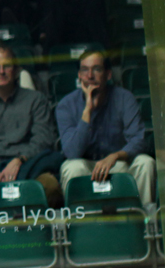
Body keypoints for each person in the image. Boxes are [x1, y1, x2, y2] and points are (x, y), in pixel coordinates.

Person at [0, 43, 62, 206]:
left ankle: (37, 223)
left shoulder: (36, 100)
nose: (1, 71)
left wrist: (19, 160)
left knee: (50, 187)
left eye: (6, 66)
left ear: (15, 70)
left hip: (29, 164)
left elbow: (43, 138)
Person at [56, 50, 156, 204]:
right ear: (79, 76)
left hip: (119, 163)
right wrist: (87, 111)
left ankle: (144, 216)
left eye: (96, 69)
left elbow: (139, 141)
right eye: (85, 70)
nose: (90, 75)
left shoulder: (124, 98)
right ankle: (78, 217)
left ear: (108, 75)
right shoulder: (66, 105)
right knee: (72, 167)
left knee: (146, 162)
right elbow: (72, 152)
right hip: (86, 166)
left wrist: (114, 156)